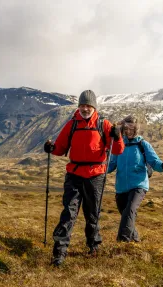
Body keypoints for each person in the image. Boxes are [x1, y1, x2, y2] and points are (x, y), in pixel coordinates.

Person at [43, 90, 124, 266]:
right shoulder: (72, 124)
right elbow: (60, 147)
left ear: (94, 107)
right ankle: (59, 254)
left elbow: (118, 151)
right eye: (82, 105)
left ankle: (93, 246)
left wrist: (117, 137)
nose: (85, 109)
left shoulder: (104, 125)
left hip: (95, 176)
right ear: (78, 107)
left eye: (88, 106)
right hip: (74, 174)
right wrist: (51, 148)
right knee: (68, 214)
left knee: (92, 214)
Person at [108, 115, 163, 243]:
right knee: (126, 215)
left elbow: (154, 161)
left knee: (130, 210)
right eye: (126, 128)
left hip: (138, 185)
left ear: (136, 129)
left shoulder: (143, 144)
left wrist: (162, 166)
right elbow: (112, 164)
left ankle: (122, 243)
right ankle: (136, 241)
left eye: (132, 129)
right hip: (121, 187)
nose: (129, 131)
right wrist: (99, 170)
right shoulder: (118, 144)